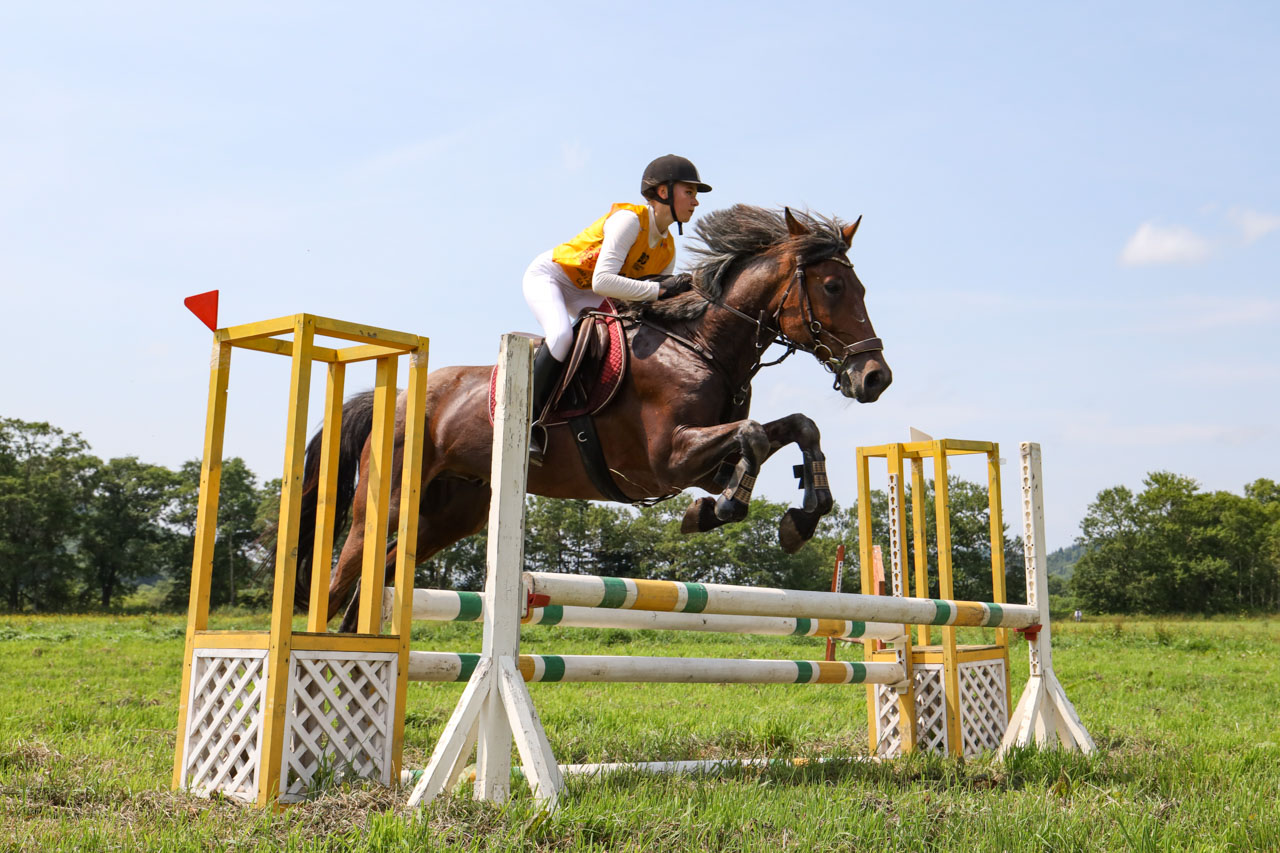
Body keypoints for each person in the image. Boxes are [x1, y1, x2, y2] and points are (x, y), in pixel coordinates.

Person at [521, 154, 712, 460]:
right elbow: (603, 282)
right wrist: (660, 289)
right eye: (689, 192)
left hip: (586, 290)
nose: (696, 202)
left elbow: (650, 302)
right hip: (553, 278)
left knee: (623, 337)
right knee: (561, 337)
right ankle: (526, 419)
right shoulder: (630, 221)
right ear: (664, 192)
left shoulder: (667, 249)